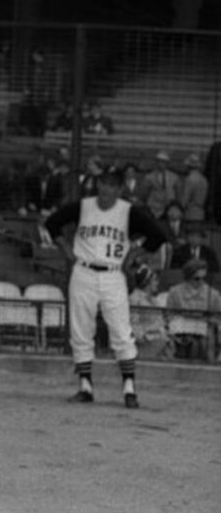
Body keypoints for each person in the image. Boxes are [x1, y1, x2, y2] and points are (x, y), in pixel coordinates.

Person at [44, 166, 168, 408]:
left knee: (121, 330)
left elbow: (157, 236)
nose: (107, 189)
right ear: (97, 184)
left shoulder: (128, 211)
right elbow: (52, 223)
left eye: (112, 184)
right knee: (81, 329)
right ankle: (85, 386)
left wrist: (134, 253)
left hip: (113, 273)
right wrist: (65, 248)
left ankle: (129, 388)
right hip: (84, 270)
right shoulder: (83, 206)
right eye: (103, 182)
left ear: (120, 189)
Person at [165, 258, 221, 361]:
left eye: (204, 278)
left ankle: (210, 365)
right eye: (197, 279)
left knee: (205, 340)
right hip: (181, 329)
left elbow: (218, 317)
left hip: (205, 330)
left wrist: (207, 320)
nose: (201, 282)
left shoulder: (213, 294)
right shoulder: (175, 292)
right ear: (188, 277)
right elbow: (169, 315)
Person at [178, 152, 209, 223]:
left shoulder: (190, 179)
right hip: (201, 213)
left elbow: (184, 199)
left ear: (188, 166)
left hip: (190, 213)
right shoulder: (204, 179)